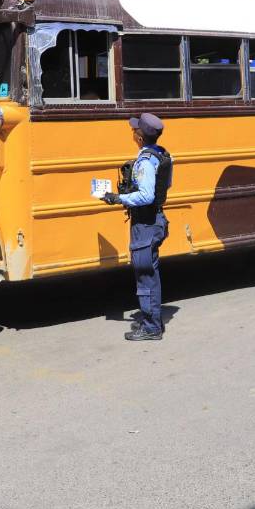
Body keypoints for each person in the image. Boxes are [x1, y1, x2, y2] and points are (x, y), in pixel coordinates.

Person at [102, 113, 172, 341]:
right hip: (156, 219)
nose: (132, 133)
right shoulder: (161, 154)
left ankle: (151, 328)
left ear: (139, 138)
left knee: (145, 275)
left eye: (134, 130)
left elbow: (146, 195)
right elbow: (165, 185)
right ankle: (152, 320)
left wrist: (118, 198)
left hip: (146, 223)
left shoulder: (145, 162)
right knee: (150, 272)